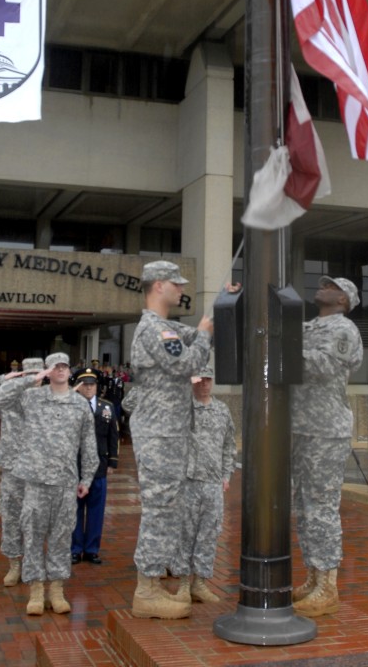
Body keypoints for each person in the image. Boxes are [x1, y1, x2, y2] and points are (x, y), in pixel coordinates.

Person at [129, 260, 213, 620]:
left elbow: (186, 341)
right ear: (159, 285)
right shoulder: (154, 330)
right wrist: (207, 331)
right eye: (176, 284)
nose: (181, 289)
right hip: (160, 433)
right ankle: (146, 589)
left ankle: (151, 584)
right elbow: (186, 363)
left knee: (166, 506)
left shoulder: (164, 328)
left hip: (167, 432)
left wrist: (212, 317)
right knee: (160, 507)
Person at [0, 351, 98, 617]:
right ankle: (36, 590)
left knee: (62, 538)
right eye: (55, 367)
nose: (61, 370)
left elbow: (88, 444)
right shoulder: (32, 398)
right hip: (36, 482)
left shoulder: (79, 404)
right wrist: (30, 379)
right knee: (33, 537)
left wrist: (87, 478)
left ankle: (57, 589)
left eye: (64, 366)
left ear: (69, 371)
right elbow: (1, 398)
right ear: (48, 371)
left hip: (65, 483)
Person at [291, 275, 363, 618]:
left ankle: (328, 585)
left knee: (322, 505)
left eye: (332, 286)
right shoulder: (305, 327)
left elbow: (322, 365)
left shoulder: (344, 329)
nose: (323, 287)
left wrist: (283, 348)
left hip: (326, 429)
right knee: (304, 506)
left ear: (343, 300)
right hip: (299, 428)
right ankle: (313, 576)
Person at [0, 356, 44, 586]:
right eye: (29, 375)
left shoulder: (51, 399)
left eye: (37, 376)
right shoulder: (9, 399)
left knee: (38, 520)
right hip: (13, 468)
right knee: (11, 516)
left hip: (41, 471)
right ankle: (14, 565)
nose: (34, 380)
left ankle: (35, 566)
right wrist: (5, 378)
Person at [173, 365, 236, 604]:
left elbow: (229, 446)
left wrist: (226, 474)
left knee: (209, 534)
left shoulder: (222, 411)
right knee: (184, 534)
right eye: (200, 380)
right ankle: (182, 584)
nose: (204, 384)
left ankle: (199, 583)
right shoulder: (182, 408)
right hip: (187, 481)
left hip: (212, 483)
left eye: (208, 380)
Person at [71, 368, 119, 565]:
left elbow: (113, 435)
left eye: (92, 384)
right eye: (85, 384)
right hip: (75, 466)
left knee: (96, 510)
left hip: (99, 466)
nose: (89, 388)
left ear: (97, 386)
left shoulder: (106, 407)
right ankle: (74, 549)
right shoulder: (71, 406)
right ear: (79, 387)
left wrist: (113, 462)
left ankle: (91, 549)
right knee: (74, 510)